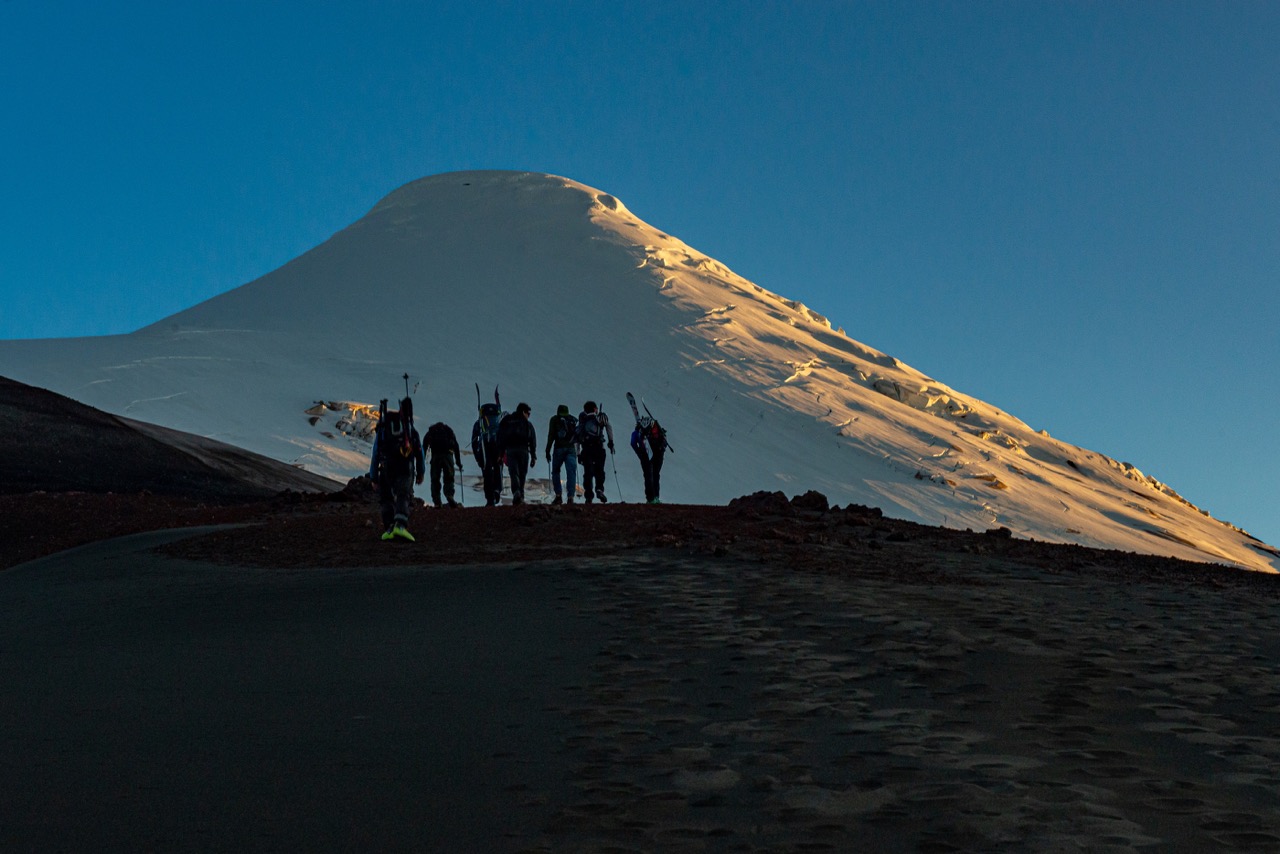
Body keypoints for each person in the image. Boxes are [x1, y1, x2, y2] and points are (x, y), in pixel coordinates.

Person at [369, 397, 425, 540]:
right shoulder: (409, 428)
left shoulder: (384, 428)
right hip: (405, 467)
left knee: (386, 498)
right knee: (402, 495)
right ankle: (400, 525)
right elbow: (419, 452)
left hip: (386, 467)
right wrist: (421, 472)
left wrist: (373, 477)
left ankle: (389, 528)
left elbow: (375, 452)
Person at [497, 402, 537, 506]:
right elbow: (532, 440)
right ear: (523, 412)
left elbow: (501, 438)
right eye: (528, 413)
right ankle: (521, 494)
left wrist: (501, 454)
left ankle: (516, 492)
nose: (528, 416)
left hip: (511, 450)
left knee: (514, 472)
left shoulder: (507, 421)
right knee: (522, 473)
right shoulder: (527, 424)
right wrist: (533, 456)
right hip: (523, 451)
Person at [575, 401, 614, 504]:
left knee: (588, 473)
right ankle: (599, 489)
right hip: (599, 449)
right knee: (599, 470)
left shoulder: (583, 421)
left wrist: (578, 454)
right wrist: (611, 442)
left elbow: (577, 438)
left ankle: (588, 496)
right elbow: (609, 427)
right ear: (595, 409)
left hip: (586, 450)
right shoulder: (600, 418)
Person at [471, 401, 505, 507]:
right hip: (497, 448)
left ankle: (490, 498)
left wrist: (478, 457)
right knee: (498, 469)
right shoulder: (498, 423)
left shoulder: (479, 423)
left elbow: (474, 440)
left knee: (487, 473)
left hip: (484, 449)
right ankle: (497, 491)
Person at [544, 404, 579, 505]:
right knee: (571, 472)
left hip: (558, 449)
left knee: (555, 471)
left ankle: (558, 496)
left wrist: (547, 450)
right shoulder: (572, 420)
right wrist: (578, 452)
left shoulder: (554, 420)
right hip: (571, 449)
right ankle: (571, 497)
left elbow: (551, 435)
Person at [631, 414, 669, 504]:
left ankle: (650, 498)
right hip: (658, 455)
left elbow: (633, 442)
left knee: (648, 476)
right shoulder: (657, 430)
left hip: (645, 456)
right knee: (655, 475)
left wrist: (639, 453)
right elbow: (664, 442)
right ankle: (655, 497)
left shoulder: (638, 431)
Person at [424, 421, 463, 508]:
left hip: (435, 457)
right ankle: (449, 495)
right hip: (448, 457)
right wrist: (458, 463)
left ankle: (437, 501)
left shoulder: (431, 432)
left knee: (435, 479)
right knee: (449, 478)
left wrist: (422, 460)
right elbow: (456, 446)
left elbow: (424, 445)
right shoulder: (448, 431)